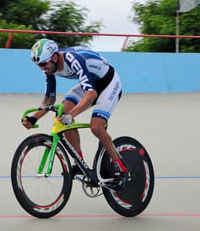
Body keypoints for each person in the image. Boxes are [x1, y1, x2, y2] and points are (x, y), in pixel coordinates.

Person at [21, 38, 125, 187]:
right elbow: (50, 99)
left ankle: (119, 167)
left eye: (43, 64)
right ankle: (80, 163)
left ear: (55, 57)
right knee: (62, 113)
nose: (42, 68)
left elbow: (91, 94)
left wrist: (71, 115)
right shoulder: (49, 66)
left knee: (96, 127)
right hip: (91, 83)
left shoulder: (72, 60)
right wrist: (33, 118)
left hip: (109, 83)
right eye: (38, 65)